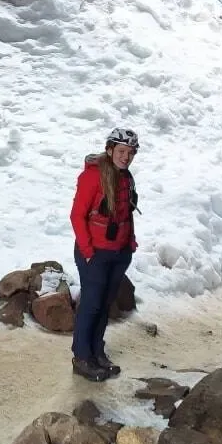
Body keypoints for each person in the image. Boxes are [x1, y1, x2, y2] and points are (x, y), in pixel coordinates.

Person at [69, 127, 139, 382]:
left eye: (130, 153)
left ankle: (97, 351)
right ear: (110, 150)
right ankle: (82, 357)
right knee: (91, 304)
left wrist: (129, 244)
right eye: (121, 151)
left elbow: (125, 213)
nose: (126, 157)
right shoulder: (92, 177)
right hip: (95, 253)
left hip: (118, 253)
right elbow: (77, 215)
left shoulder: (125, 177)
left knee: (105, 304)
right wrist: (87, 252)